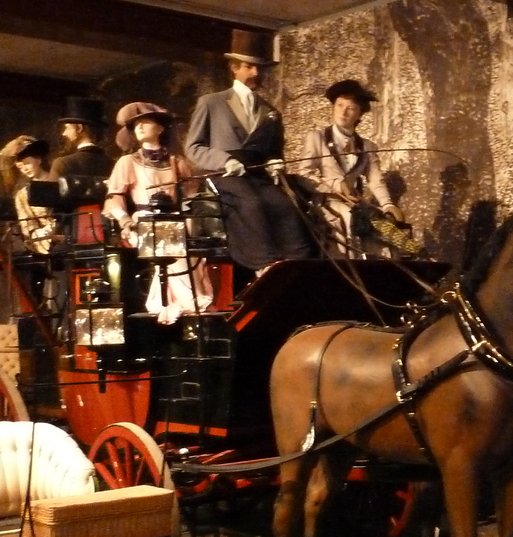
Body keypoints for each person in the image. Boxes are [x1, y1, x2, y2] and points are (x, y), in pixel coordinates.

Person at [183, 29, 316, 270]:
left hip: (257, 174)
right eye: (249, 67)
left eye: (259, 68)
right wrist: (224, 161)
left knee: (285, 204)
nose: (256, 73)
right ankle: (263, 265)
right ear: (234, 68)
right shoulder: (212, 103)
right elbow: (193, 147)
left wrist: (276, 162)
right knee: (250, 203)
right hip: (225, 176)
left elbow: (274, 150)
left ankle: (295, 265)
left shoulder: (269, 110)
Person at [104, 102, 213, 324]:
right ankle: (190, 303)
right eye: (136, 126)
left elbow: (190, 195)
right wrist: (125, 221)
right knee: (173, 248)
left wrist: (190, 218)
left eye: (146, 122)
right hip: (144, 221)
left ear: (161, 129)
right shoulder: (128, 161)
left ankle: (172, 303)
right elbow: (114, 197)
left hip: (173, 219)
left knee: (191, 249)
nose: (140, 128)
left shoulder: (176, 161)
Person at [292, 80, 411, 257]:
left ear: (359, 114)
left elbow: (375, 179)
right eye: (339, 105)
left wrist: (387, 204)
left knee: (386, 227)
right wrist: (336, 185)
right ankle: (350, 268)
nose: (343, 111)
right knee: (349, 218)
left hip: (356, 203)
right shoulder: (317, 138)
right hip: (327, 202)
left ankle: (394, 268)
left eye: (351, 108)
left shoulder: (367, 146)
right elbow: (304, 174)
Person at [0, 136, 56, 254]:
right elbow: (28, 225)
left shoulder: (57, 181)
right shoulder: (23, 194)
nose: (24, 169)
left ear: (38, 160)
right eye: (20, 167)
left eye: (27, 163)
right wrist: (40, 233)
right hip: (44, 239)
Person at [51, 96, 113, 179]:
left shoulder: (62, 164)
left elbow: (49, 192)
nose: (64, 133)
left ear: (79, 128)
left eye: (67, 128)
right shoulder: (113, 165)